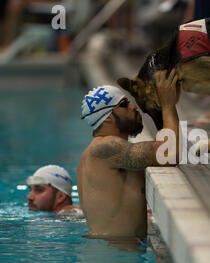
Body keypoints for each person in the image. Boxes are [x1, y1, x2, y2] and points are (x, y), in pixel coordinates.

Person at [77, 69, 179, 238]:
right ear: (107, 117)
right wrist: (168, 104)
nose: (133, 106)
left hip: (114, 255)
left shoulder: (94, 153)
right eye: (124, 104)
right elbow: (168, 153)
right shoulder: (106, 147)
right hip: (115, 259)